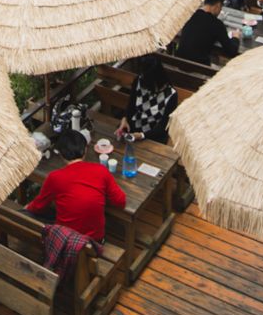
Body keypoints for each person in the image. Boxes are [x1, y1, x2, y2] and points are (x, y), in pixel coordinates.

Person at [27, 128, 126, 273]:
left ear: (60, 154)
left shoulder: (55, 177)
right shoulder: (100, 171)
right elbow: (121, 201)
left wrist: (27, 207)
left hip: (65, 242)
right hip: (93, 242)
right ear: (85, 150)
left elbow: (38, 206)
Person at [115, 54, 179, 143]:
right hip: (134, 129)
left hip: (154, 137)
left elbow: (163, 127)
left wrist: (142, 135)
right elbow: (131, 105)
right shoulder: (139, 80)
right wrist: (125, 119)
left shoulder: (171, 95)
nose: (143, 84)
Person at [172, 0, 239, 63]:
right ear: (218, 5)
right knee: (216, 60)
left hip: (178, 62)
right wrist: (235, 37)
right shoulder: (217, 24)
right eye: (220, 8)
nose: (219, 12)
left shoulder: (190, 14)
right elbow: (232, 51)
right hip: (199, 69)